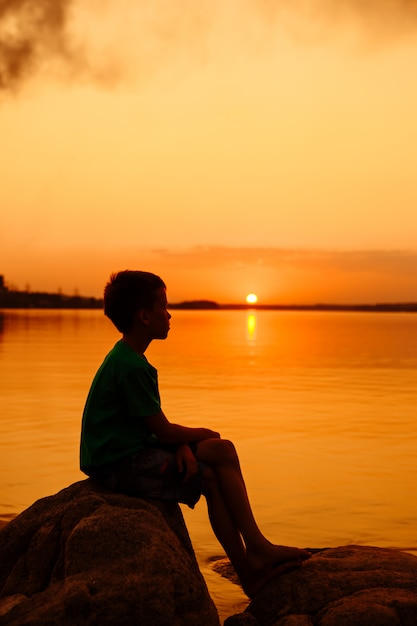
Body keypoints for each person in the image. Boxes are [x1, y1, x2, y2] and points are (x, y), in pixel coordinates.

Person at [80, 270, 310, 598]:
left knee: (220, 454)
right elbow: (160, 430)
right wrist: (196, 436)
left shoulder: (127, 358)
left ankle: (253, 562)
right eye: (164, 306)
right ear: (144, 316)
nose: (169, 314)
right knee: (218, 452)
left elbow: (145, 427)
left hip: (129, 451)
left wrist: (181, 446)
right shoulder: (130, 366)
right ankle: (256, 551)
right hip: (117, 466)